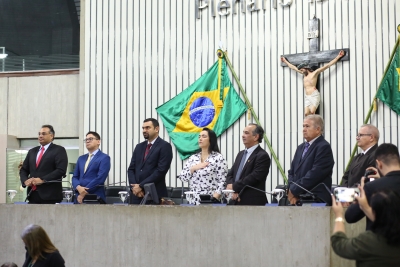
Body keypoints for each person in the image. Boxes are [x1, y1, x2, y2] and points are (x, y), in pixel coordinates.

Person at [331, 181, 400, 266]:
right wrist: (365, 207)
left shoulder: (368, 241)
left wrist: (339, 215)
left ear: (375, 212)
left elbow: (339, 244)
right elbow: (385, 218)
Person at [345, 143, 400, 230]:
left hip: (379, 241)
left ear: (379, 163)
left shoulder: (372, 187)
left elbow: (350, 217)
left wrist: (362, 192)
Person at [287, 115, 334, 206]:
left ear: (318, 129)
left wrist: (294, 190)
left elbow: (315, 174)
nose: (304, 129)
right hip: (298, 198)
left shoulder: (323, 147)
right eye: (303, 126)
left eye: (307, 126)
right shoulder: (300, 147)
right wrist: (292, 190)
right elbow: (292, 172)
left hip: (315, 199)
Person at [281, 50, 345, 116]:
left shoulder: (314, 73)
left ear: (306, 68)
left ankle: (315, 124)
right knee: (306, 113)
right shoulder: (304, 74)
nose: (301, 71)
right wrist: (285, 61)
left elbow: (327, 65)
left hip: (314, 95)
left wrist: (338, 56)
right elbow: (293, 68)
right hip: (307, 96)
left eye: (302, 70)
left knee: (312, 112)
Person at [128, 118, 173, 204]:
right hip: (136, 194)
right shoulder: (139, 147)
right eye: (143, 128)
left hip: (154, 194)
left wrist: (141, 186)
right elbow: (131, 169)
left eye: (147, 128)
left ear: (157, 129)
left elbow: (161, 171)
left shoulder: (164, 146)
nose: (144, 130)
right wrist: (134, 187)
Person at [20, 125, 68, 204]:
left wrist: (43, 179)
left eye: (44, 133)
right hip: (33, 195)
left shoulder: (59, 150)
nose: (40, 136)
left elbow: (61, 170)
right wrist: (25, 181)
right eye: (39, 134)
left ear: (51, 136)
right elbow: (24, 170)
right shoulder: (32, 151)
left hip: (51, 196)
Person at [178, 128, 228, 205]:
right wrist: (193, 168)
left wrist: (215, 197)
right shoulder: (193, 158)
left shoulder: (218, 158)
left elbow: (223, 181)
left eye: (204, 136)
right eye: (199, 136)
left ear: (211, 140)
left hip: (211, 199)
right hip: (193, 200)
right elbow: (182, 177)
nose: (200, 139)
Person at [225, 123, 270, 205]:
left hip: (252, 202)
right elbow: (230, 174)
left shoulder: (262, 155)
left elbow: (254, 177)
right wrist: (233, 189)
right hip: (235, 200)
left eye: (246, 133)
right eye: (243, 132)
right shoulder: (240, 154)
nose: (243, 135)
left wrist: (235, 187)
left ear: (256, 137)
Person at [72, 131, 111, 204]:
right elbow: (75, 177)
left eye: (90, 139)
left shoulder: (104, 158)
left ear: (98, 141)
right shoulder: (81, 158)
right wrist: (78, 187)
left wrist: (84, 192)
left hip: (95, 197)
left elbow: (100, 178)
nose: (87, 141)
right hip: (78, 197)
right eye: (86, 140)